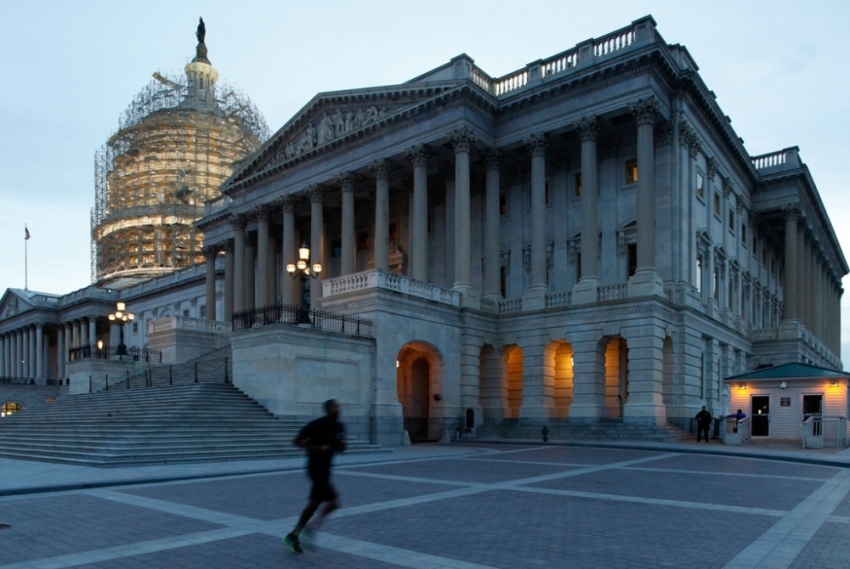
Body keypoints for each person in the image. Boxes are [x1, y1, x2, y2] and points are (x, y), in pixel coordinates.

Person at [284, 399, 346, 554]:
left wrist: (342, 446)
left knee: (312, 505)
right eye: (334, 407)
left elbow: (340, 446)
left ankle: (293, 535)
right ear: (327, 409)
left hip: (326, 470)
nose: (338, 409)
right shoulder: (315, 425)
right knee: (335, 503)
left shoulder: (339, 426)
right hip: (315, 469)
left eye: (339, 407)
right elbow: (296, 441)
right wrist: (316, 448)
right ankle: (311, 529)